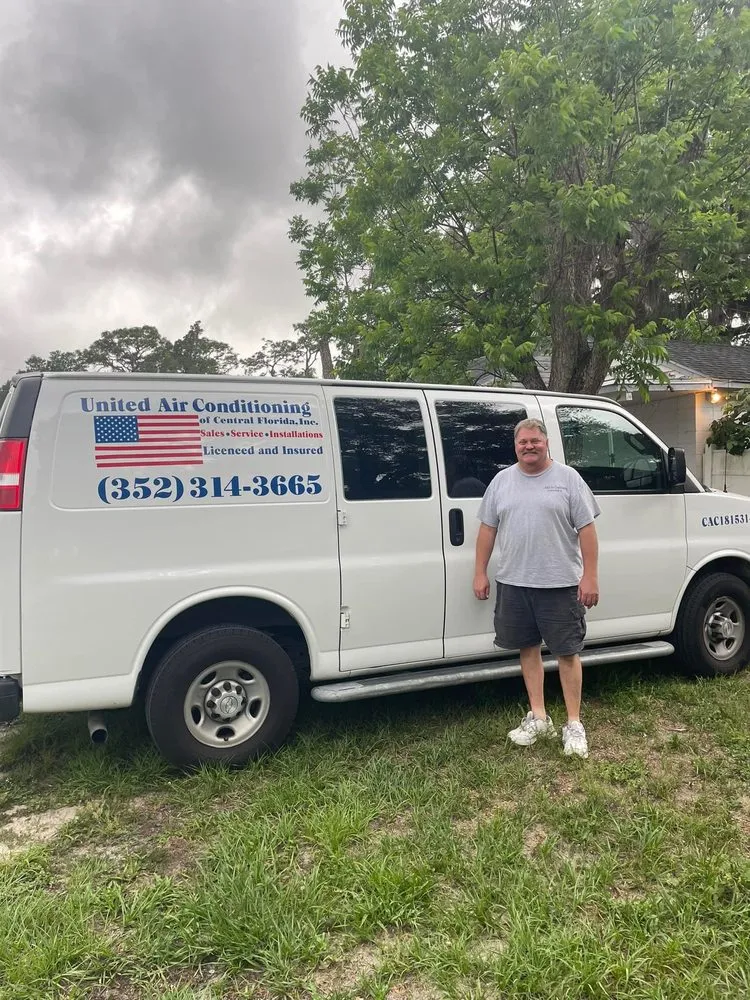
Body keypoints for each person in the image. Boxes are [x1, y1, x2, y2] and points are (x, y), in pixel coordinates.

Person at [473, 418, 600, 758]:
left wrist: (589, 577)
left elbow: (587, 530)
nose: (529, 446)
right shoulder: (502, 481)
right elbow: (487, 530)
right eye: (522, 442)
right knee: (527, 649)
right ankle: (539, 717)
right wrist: (480, 572)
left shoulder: (568, 479)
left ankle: (574, 724)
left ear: (546, 443)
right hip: (514, 581)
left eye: (535, 441)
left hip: (560, 583)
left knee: (567, 653)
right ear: (515, 447)